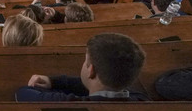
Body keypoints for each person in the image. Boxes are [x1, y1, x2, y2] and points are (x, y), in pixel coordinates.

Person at [16, 33, 149, 101]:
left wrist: (56, 85)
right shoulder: (142, 99)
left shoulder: (71, 105)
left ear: (91, 71)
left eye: (85, 61)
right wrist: (53, 81)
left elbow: (23, 92)